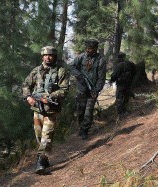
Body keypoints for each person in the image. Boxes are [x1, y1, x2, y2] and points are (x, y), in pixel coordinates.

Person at [22, 46, 70, 174]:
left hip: (51, 110)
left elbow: (64, 90)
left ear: (54, 57)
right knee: (39, 136)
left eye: (50, 55)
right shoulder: (36, 71)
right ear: (42, 56)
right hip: (37, 109)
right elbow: (26, 85)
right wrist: (28, 97)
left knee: (46, 136)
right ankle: (44, 157)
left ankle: (41, 162)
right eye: (45, 55)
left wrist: (49, 97)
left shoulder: (61, 71)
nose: (47, 57)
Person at [70, 39, 107, 140]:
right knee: (80, 110)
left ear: (95, 49)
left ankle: (85, 130)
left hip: (92, 90)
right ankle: (81, 127)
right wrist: (79, 76)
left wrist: (97, 89)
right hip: (81, 89)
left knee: (88, 111)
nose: (88, 50)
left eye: (90, 48)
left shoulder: (100, 60)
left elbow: (101, 78)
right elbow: (72, 66)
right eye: (87, 48)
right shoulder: (81, 57)